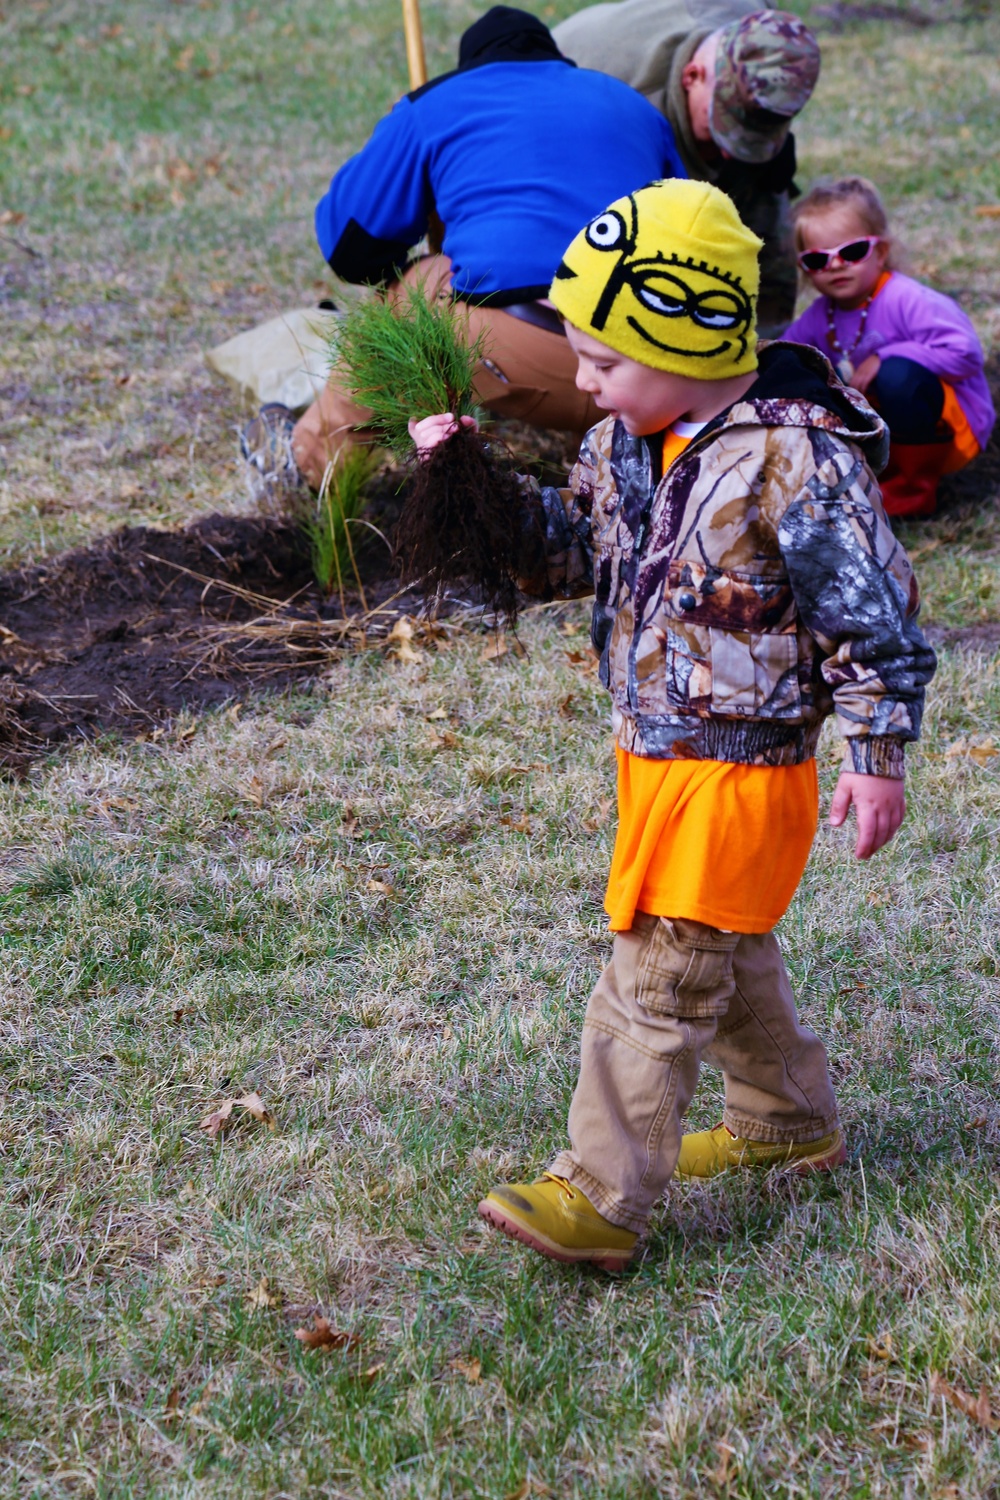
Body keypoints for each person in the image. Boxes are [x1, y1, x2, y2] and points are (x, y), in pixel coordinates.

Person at [411, 178, 935, 1270]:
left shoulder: (796, 460)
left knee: (658, 971)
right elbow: (567, 552)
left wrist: (875, 755)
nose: (585, 384)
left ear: (689, 344)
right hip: (650, 755)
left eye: (603, 360)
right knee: (723, 948)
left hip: (744, 773)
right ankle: (786, 1122)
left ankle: (599, 1195)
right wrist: (468, 481)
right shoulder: (620, 446)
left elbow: (873, 617)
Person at [241, 6, 686, 501]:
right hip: (658, 369)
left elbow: (352, 250)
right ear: (557, 59)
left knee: (414, 287)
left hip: (529, 359)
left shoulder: (436, 103)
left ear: (471, 65)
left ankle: (306, 469)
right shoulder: (635, 106)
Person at [548, 2, 821, 335]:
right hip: (566, 124)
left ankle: (762, 352)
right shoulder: (625, 104)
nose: (728, 152)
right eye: (721, 129)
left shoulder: (765, 35)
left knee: (765, 192)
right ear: (693, 75)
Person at [783, 176, 995, 519]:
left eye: (851, 252)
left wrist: (888, 356)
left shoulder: (906, 298)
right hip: (880, 434)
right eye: (818, 260)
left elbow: (967, 352)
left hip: (951, 430)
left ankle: (913, 493)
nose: (835, 265)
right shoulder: (819, 317)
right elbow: (785, 359)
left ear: (880, 252)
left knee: (898, 376)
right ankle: (855, 479)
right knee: (810, 372)